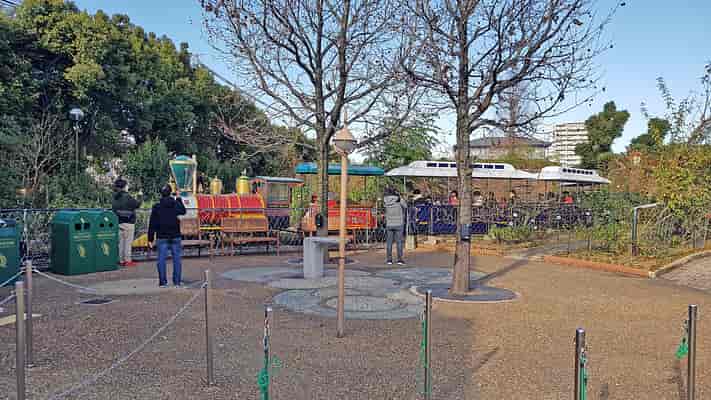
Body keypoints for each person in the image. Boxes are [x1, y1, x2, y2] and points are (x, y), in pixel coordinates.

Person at [148, 185, 187, 287]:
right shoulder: (175, 203)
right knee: (177, 259)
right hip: (175, 235)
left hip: (161, 236)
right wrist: (178, 198)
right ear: (170, 193)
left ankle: (163, 282)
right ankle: (177, 282)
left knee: (161, 259)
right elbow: (183, 211)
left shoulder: (156, 206)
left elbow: (152, 223)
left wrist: (150, 238)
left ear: (161, 194)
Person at [111, 178, 140, 267]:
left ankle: (121, 260)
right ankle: (127, 260)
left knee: (120, 243)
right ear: (124, 187)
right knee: (128, 243)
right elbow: (137, 204)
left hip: (118, 222)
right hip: (128, 222)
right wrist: (140, 196)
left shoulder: (115, 197)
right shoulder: (127, 196)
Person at [384, 187, 407, 265]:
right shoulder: (399, 199)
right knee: (399, 242)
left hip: (389, 223)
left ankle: (389, 260)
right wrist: (400, 197)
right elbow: (405, 206)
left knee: (389, 242)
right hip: (399, 223)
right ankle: (400, 260)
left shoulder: (385, 200)